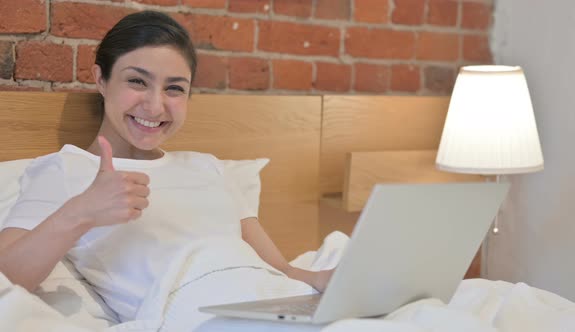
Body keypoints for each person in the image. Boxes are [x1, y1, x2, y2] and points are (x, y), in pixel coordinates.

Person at [0, 11, 332, 322]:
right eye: (137, 81)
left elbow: (276, 269)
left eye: (174, 88)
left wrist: (321, 280)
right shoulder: (66, 169)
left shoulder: (209, 168)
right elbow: (8, 276)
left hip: (269, 306)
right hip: (197, 317)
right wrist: (81, 212)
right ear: (101, 78)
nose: (155, 105)